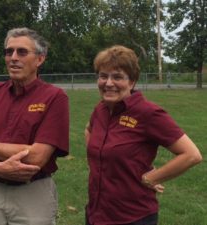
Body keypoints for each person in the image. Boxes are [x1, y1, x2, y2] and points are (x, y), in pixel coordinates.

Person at [0, 27, 69, 225]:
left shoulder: (54, 97)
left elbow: (37, 156)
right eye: (8, 51)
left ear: (40, 59)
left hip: (32, 194)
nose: (13, 57)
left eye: (22, 52)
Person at [84, 45, 202, 225]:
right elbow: (89, 130)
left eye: (117, 77)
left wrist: (151, 178)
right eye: (103, 76)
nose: (108, 83)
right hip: (96, 212)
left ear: (132, 82)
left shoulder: (148, 113)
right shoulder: (100, 109)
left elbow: (191, 155)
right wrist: (98, 159)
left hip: (132, 217)